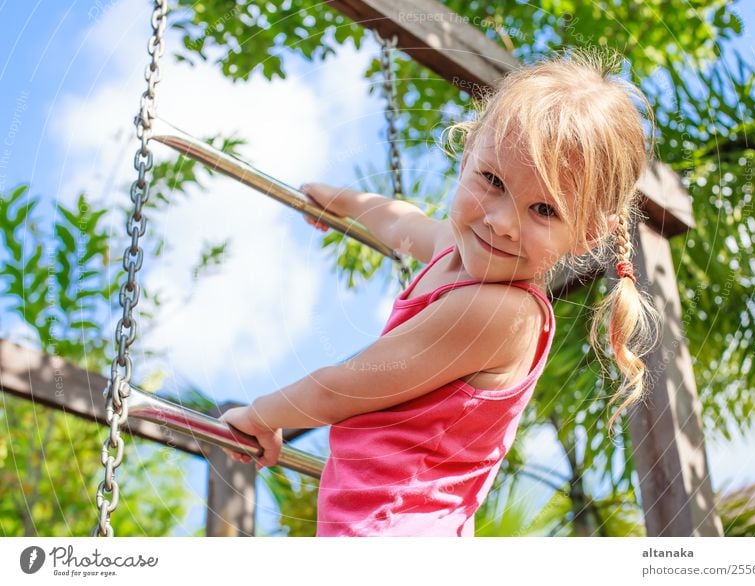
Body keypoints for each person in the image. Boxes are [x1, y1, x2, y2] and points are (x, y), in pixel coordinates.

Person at [219, 48, 659, 536]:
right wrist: (343, 203)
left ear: (588, 234)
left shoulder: (500, 313)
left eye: (544, 211)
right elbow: (404, 223)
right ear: (467, 154)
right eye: (492, 180)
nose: (501, 221)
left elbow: (341, 387)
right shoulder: (456, 247)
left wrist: (259, 415)